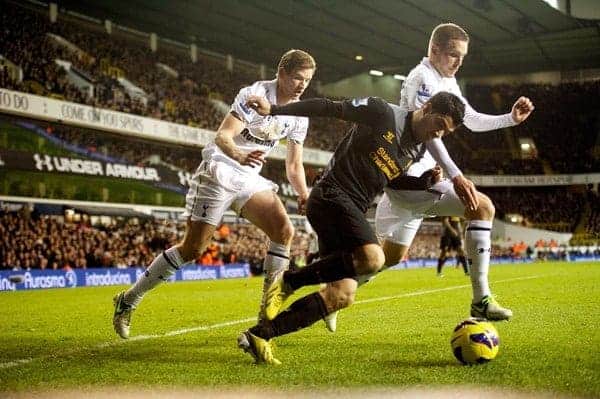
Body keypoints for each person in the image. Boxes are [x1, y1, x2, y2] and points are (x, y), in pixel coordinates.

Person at [322, 22, 534, 332]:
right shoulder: (421, 79)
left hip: (415, 187)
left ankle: (332, 295)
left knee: (386, 258)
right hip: (410, 180)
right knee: (483, 207)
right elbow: (429, 135)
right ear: (434, 50)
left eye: (462, 56)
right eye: (452, 55)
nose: (458, 62)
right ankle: (481, 300)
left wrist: (510, 119)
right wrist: (456, 175)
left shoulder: (446, 81)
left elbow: (470, 120)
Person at [236, 90, 467, 364]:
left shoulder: (415, 150)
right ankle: (289, 280)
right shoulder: (382, 112)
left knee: (342, 295)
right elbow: (328, 107)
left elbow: (388, 181)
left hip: (351, 209)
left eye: (445, 132)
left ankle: (260, 335)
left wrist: (423, 182)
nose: (438, 135)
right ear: (427, 108)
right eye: (439, 125)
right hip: (331, 194)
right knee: (373, 258)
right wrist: (273, 109)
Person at [112, 49, 316, 339]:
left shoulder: (298, 114)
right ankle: (128, 299)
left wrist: (303, 193)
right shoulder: (254, 93)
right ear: (281, 73)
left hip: (248, 176)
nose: (302, 85)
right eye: (297, 78)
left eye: (307, 80)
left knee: (284, 231)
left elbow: (294, 165)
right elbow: (223, 136)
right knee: (192, 249)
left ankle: (265, 318)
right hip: (220, 168)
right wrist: (238, 154)